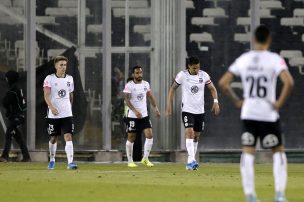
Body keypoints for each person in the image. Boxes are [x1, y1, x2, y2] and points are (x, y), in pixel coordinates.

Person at [219, 25, 294, 202]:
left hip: (249, 113)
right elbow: (289, 82)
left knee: (248, 153)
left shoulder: (244, 59)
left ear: (254, 39)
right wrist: (278, 104)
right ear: (269, 40)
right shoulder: (275, 59)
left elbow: (223, 83)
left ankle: (251, 196)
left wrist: (237, 101)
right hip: (268, 113)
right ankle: (280, 195)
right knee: (278, 151)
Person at [166, 56, 220, 170]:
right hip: (187, 110)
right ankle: (191, 160)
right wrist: (169, 104)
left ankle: (191, 162)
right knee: (189, 132)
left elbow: (213, 89)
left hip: (200, 111)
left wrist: (216, 102)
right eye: (194, 68)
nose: (196, 70)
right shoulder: (182, 75)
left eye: (198, 68)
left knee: (196, 136)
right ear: (189, 66)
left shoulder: (204, 75)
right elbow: (172, 89)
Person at [43, 56, 77, 170]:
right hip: (54, 115)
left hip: (67, 114)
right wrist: (51, 107)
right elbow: (46, 95)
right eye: (61, 65)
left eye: (65, 65)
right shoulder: (49, 79)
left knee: (68, 136)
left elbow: (71, 95)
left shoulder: (70, 79)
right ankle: (52, 160)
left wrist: (69, 107)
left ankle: (70, 162)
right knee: (53, 138)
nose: (63, 67)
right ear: (56, 66)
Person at [123, 65, 160, 167]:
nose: (139, 75)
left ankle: (145, 158)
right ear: (133, 74)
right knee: (131, 137)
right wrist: (135, 111)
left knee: (149, 135)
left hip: (144, 115)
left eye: (141, 73)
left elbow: (150, 96)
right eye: (137, 73)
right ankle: (130, 161)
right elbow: (127, 100)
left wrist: (155, 108)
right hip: (132, 116)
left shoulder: (146, 84)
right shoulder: (129, 85)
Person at [0, 70, 31, 162]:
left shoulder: (13, 91)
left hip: (16, 117)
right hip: (19, 117)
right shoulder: (18, 89)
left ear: (10, 79)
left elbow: (5, 102)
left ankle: (4, 156)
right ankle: (27, 157)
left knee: (9, 134)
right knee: (18, 137)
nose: (6, 79)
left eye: (7, 78)